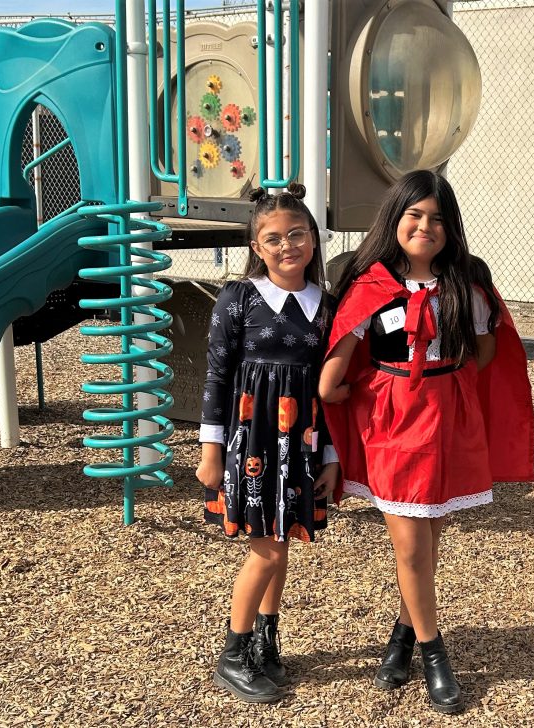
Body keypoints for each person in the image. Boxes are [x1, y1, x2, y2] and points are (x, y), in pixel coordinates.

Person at [318, 170, 534, 714]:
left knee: (427, 543)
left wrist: (447, 377)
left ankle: (400, 636)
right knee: (412, 548)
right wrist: (366, 393)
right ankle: (435, 654)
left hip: (448, 419)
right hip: (395, 423)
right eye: (414, 214)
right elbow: (332, 374)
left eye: (437, 218)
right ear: (395, 220)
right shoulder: (369, 284)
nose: (425, 226)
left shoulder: (466, 285)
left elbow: (486, 354)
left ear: (451, 226)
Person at [196, 184, 340, 704]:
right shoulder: (238, 299)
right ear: (257, 246)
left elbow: (330, 389)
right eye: (273, 239)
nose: (287, 247)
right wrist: (210, 449)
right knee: (266, 549)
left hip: (300, 442)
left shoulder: (327, 305)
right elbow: (216, 375)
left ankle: (265, 639)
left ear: (313, 238)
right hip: (251, 440)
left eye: (296, 234)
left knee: (282, 544)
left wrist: (332, 456)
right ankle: (231, 656)